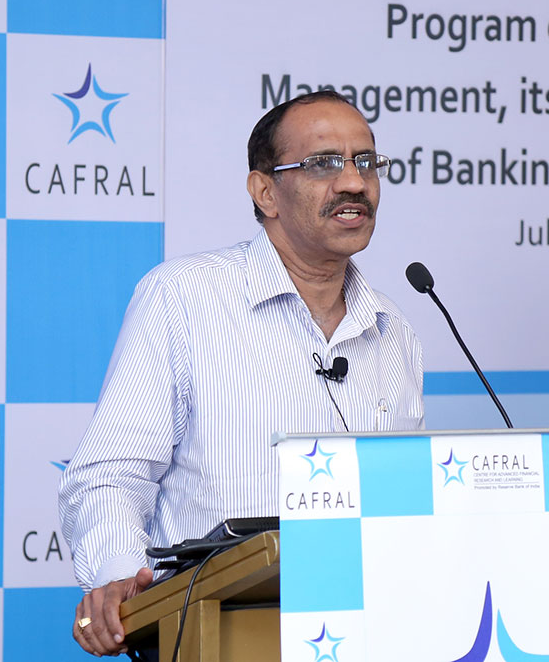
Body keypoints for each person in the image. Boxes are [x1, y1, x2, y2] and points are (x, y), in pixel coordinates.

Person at [58, 91, 425, 656]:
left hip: (367, 634)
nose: (355, 182)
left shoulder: (392, 331)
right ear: (265, 191)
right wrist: (123, 579)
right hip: (212, 631)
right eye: (324, 163)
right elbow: (110, 474)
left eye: (366, 161)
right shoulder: (184, 298)